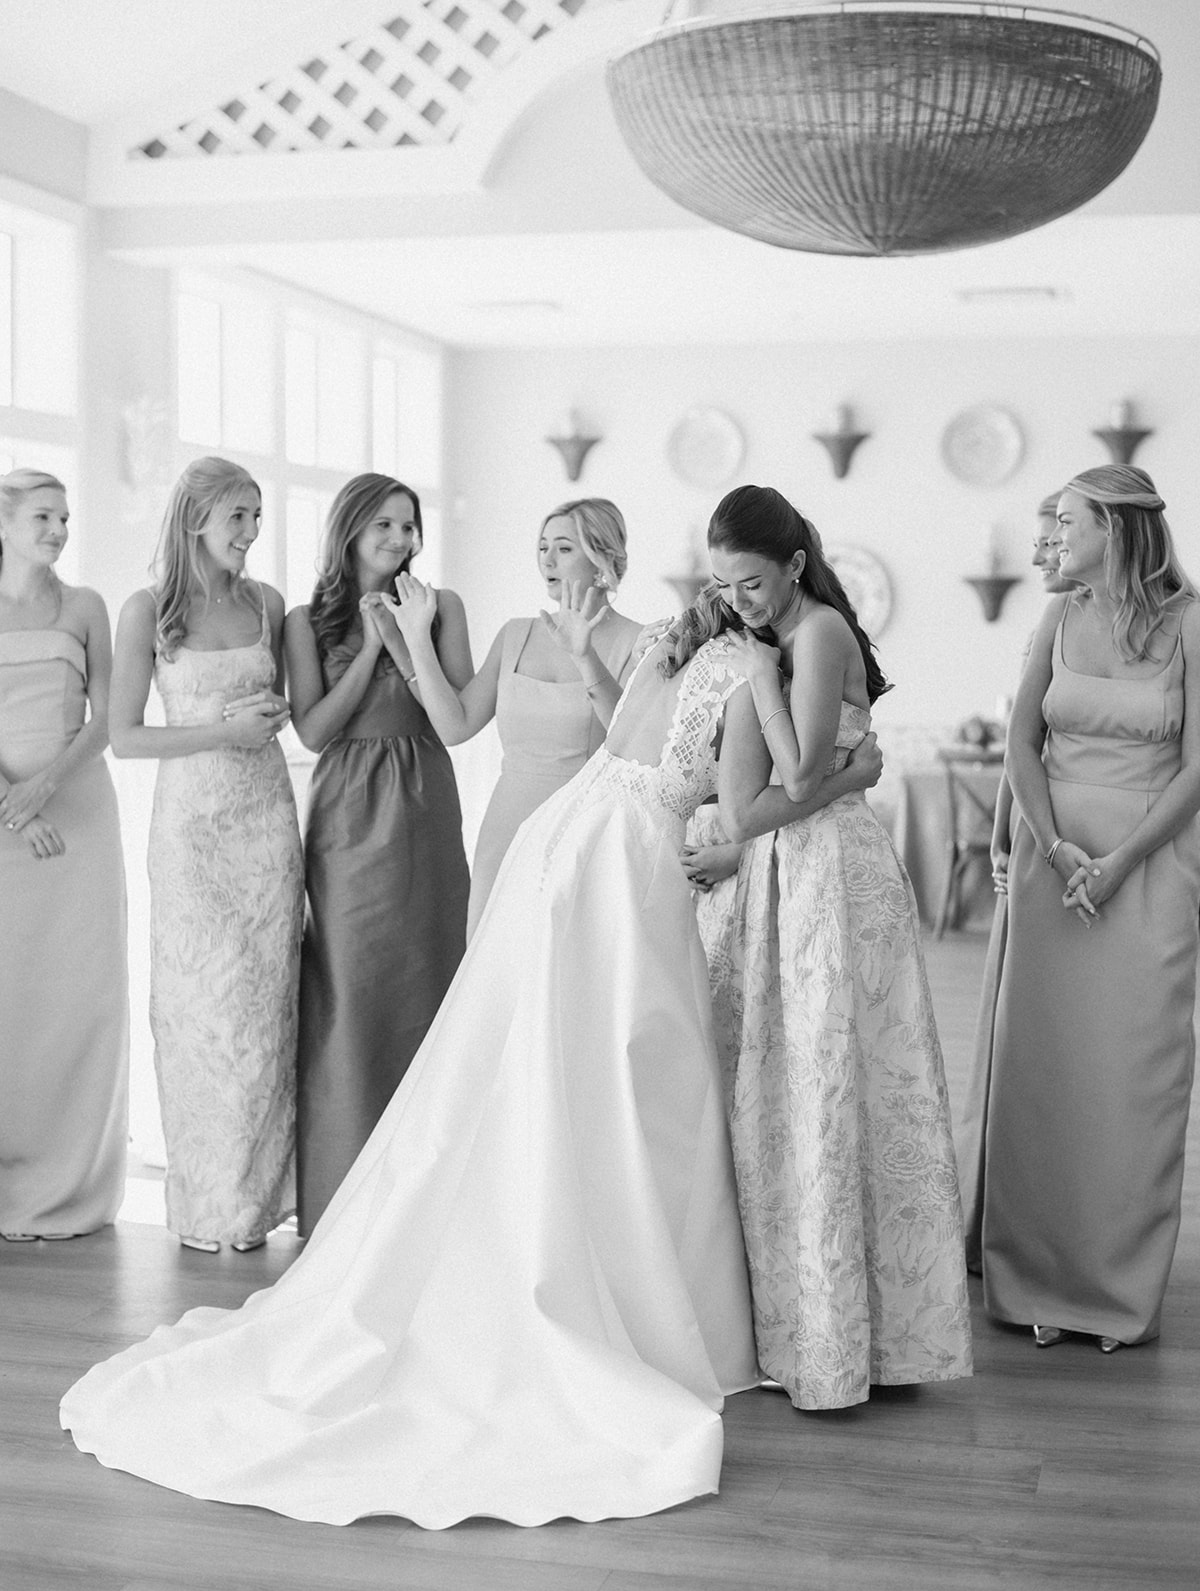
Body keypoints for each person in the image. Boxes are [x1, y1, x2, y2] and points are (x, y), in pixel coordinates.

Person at [60, 583, 881, 1529]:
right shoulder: (747, 668)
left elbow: (627, 738)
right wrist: (848, 770)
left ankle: (586, 1241)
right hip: (629, 859)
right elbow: (745, 807)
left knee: (559, 1056)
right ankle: (634, 1291)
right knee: (632, 1071)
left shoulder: (670, 645)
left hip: (569, 830)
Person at [707, 485, 973, 1410]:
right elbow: (769, 796)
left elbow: (796, 776)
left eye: (750, 583)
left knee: (841, 1085)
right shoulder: (774, 635)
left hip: (833, 878)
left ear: (792, 565)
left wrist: (759, 681)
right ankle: (810, 1327)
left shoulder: (816, 633)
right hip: (787, 871)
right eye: (723, 586)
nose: (738, 601)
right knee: (793, 1091)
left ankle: (866, 1338)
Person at [981, 465, 1200, 1352]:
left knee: (1133, 1078)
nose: (1055, 536)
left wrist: (1120, 862)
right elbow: (1020, 741)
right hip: (1055, 864)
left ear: (1116, 526)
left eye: (1070, 521)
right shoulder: (1058, 616)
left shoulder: (1192, 623)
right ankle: (1037, 1280)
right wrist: (1051, 843)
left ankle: (1115, 1294)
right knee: (1046, 1077)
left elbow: (1198, 768)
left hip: (1149, 867)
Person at [108, 456, 302, 1254]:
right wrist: (223, 730)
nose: (251, 532)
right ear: (196, 520)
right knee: (200, 1011)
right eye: (237, 517)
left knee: (264, 1012)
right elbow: (125, 737)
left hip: (266, 825)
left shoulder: (269, 604)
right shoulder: (147, 611)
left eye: (256, 515)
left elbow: (288, 711)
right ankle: (203, 1204)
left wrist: (272, 715)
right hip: (191, 831)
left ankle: (256, 1205)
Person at [284, 474, 471, 1234]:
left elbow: (455, 713)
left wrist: (407, 636)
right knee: (349, 988)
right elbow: (312, 729)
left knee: (430, 980)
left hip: (424, 799)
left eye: (409, 526)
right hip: (346, 810)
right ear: (350, 531)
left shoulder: (441, 606)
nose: (400, 539)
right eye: (384, 526)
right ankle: (341, 1197)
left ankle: (429, 1201)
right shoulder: (305, 621)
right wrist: (369, 649)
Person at [397, 497, 643, 936]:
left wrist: (585, 656)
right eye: (543, 547)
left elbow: (633, 746)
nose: (547, 559)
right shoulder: (516, 634)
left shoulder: (637, 641)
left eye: (564, 548)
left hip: (582, 831)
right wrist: (416, 636)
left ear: (602, 558)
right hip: (505, 830)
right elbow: (455, 726)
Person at [0, 469, 128, 1242]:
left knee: (76, 1000)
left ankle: (66, 1184)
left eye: (66, 518)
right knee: (9, 999)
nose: (59, 531)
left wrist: (44, 788)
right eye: (44, 517)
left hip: (77, 814)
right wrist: (13, 807)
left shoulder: (85, 607)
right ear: (4, 522)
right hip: (5, 821)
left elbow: (108, 717)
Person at [959, 493, 1072, 1270]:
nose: (1038, 556)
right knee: (1010, 1027)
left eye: (1050, 541)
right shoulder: (1049, 625)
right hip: (1038, 838)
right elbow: (1020, 745)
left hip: (1082, 839)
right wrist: (1003, 833)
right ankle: (990, 1215)